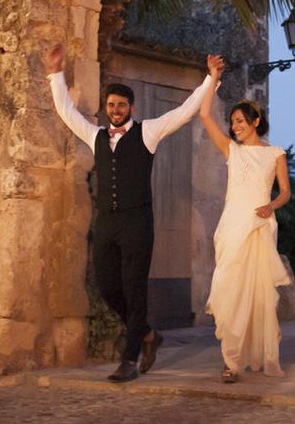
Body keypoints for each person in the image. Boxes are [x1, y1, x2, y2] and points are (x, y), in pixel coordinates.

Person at [47, 43, 216, 382]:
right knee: (108, 286)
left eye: (121, 105)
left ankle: (129, 359)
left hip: (138, 222)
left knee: (135, 287)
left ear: (131, 107)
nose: (116, 110)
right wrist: (55, 73)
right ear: (106, 108)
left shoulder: (148, 132)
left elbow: (182, 112)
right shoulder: (95, 134)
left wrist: (210, 79)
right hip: (107, 222)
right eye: (111, 105)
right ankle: (149, 334)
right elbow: (66, 112)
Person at [199, 54, 292, 383]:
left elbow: (285, 192)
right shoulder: (231, 151)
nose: (235, 126)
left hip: (258, 224)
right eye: (233, 122)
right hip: (232, 225)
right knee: (228, 290)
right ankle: (231, 359)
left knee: (257, 294)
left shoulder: (274, 153)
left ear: (255, 122)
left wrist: (271, 207)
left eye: (240, 121)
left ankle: (241, 361)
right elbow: (204, 114)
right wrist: (213, 77)